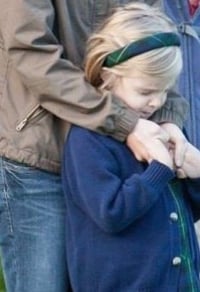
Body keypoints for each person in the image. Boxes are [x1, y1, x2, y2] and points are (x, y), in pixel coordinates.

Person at [0, 1, 189, 292]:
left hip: (123, 138)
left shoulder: (147, 109)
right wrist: (124, 121)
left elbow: (153, 35)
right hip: (39, 152)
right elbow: (30, 49)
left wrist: (167, 121)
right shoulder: (120, 124)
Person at [62, 3, 200, 291]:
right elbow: (110, 213)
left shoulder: (165, 129)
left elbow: (188, 209)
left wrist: (196, 174)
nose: (157, 102)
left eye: (164, 90)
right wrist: (158, 171)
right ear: (110, 78)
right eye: (146, 91)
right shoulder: (87, 140)